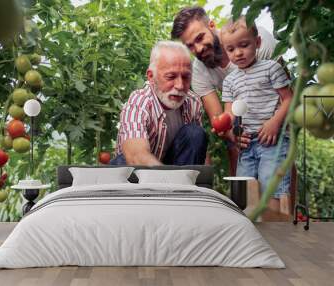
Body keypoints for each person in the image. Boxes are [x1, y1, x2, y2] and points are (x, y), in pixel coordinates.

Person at [171, 6, 277, 174]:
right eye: (190, 46)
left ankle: (284, 198)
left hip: (271, 97)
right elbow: (219, 118)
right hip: (238, 105)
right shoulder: (199, 70)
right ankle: (241, 197)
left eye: (200, 38)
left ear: (212, 26)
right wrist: (231, 134)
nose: (198, 49)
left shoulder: (255, 40)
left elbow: (277, 93)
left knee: (276, 147)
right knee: (234, 141)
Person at [220, 17, 293, 213]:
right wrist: (226, 126)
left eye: (244, 45)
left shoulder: (271, 68)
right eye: (231, 49)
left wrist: (274, 122)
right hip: (246, 145)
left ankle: (278, 231)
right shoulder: (229, 81)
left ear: (257, 43)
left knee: (271, 189)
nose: (238, 53)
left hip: (272, 141)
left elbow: (289, 99)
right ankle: (250, 234)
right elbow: (230, 113)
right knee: (243, 194)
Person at [110, 41, 207, 166]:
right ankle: (178, 184)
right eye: (171, 77)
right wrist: (167, 181)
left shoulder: (193, 102)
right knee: (123, 160)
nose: (180, 86)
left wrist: (206, 182)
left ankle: (184, 184)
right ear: (151, 77)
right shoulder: (139, 103)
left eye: (186, 77)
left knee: (195, 134)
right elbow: (136, 156)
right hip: (135, 174)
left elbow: (197, 151)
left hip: (172, 169)